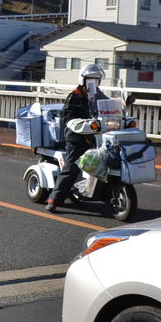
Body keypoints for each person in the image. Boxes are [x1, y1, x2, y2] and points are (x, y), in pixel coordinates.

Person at [46, 64, 107, 213]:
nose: (93, 82)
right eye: (90, 79)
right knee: (72, 167)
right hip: (76, 137)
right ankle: (54, 200)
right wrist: (77, 123)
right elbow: (66, 117)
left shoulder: (100, 96)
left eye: (96, 79)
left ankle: (102, 194)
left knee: (108, 161)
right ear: (83, 79)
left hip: (95, 136)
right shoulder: (75, 95)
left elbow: (110, 109)